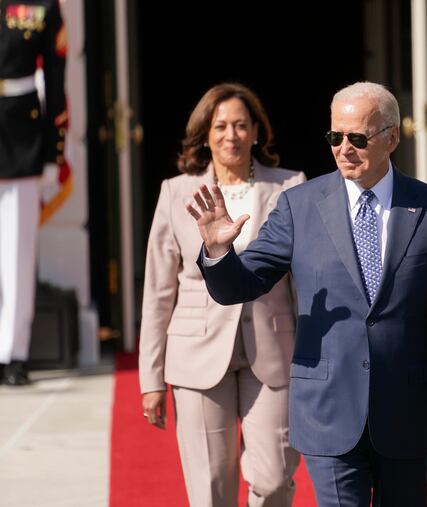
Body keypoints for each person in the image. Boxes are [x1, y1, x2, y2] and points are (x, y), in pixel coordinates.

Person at [187, 81, 427, 506]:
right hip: (327, 411)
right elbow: (243, 283)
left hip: (406, 412)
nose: (344, 148)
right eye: (335, 137)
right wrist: (218, 251)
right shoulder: (299, 205)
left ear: (392, 137)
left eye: (358, 138)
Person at [139, 83, 303, 507]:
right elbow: (158, 290)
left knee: (273, 480)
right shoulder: (175, 192)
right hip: (196, 352)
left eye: (241, 125)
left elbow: (306, 281)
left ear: (255, 133)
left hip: (273, 349)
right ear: (205, 134)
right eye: (221, 126)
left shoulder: (290, 187)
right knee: (211, 488)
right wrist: (150, 377)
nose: (231, 135)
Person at [0, 0, 67, 386]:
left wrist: (51, 151)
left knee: (17, 253)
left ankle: (14, 353)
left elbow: (54, 74)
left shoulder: (42, 5)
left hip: (21, 135)